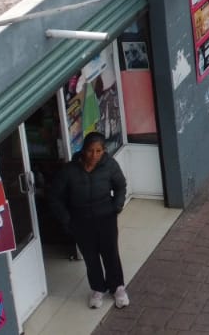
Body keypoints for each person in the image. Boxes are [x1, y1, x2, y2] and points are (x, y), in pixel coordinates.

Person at [47, 131, 129, 309]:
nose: (94, 155)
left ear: (103, 151)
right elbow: (54, 196)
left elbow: (120, 186)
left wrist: (117, 205)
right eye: (91, 151)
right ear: (83, 150)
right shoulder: (69, 170)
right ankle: (98, 288)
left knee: (110, 253)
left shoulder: (109, 165)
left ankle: (118, 288)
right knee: (91, 257)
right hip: (81, 221)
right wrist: (67, 219)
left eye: (99, 151)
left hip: (106, 218)